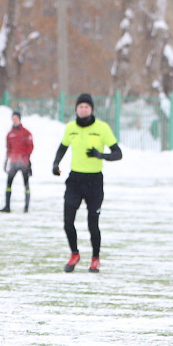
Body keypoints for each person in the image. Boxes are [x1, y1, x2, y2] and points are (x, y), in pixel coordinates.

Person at [52, 93, 122, 273]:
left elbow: (118, 153)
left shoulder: (102, 128)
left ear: (91, 109)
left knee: (93, 222)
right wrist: (55, 163)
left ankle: (95, 258)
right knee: (68, 221)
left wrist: (101, 155)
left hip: (94, 181)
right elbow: (62, 147)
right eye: (80, 106)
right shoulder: (71, 127)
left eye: (86, 106)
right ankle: (74, 253)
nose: (83, 109)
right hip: (75, 180)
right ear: (76, 109)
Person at [2, 111, 34, 213]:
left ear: (19, 119)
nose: (14, 120)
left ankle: (26, 207)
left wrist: (26, 157)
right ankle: (7, 206)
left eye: (16, 118)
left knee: (26, 183)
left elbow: (30, 146)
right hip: (13, 162)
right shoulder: (10, 134)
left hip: (24, 162)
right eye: (13, 118)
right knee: (9, 183)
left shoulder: (26, 133)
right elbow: (8, 148)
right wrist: (6, 160)